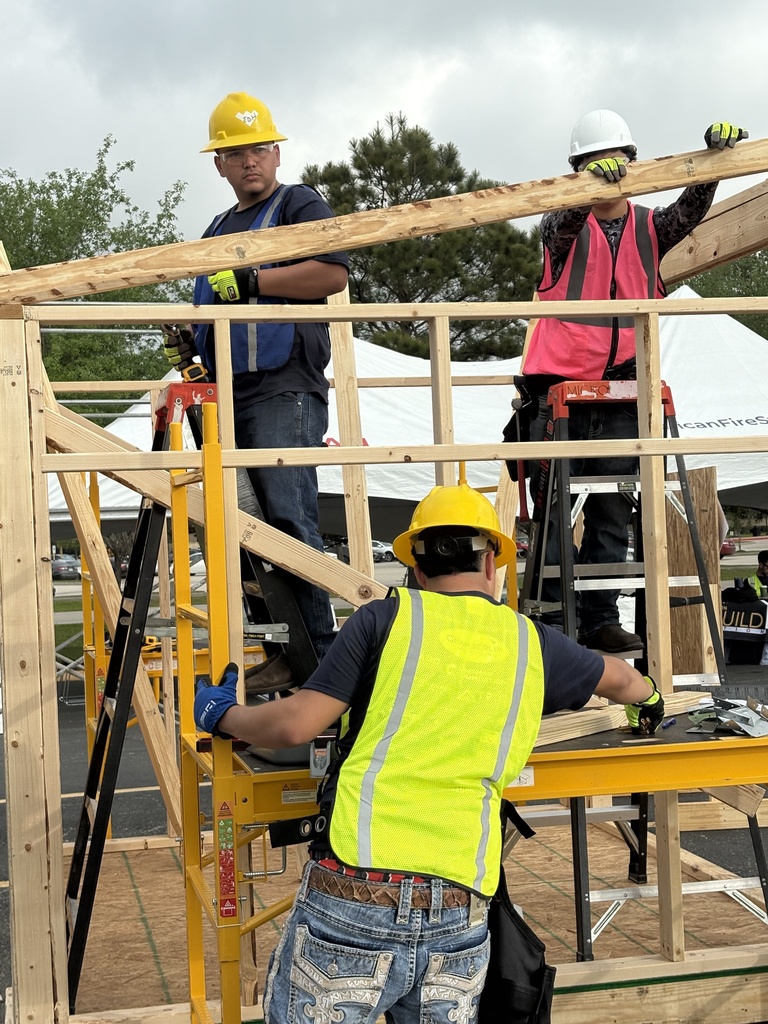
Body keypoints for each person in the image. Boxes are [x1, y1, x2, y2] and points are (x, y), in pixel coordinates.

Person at [194, 479, 665, 1022]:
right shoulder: (531, 642)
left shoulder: (384, 619)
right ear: (492, 563)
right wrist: (649, 702)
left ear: (416, 568)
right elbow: (623, 679)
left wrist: (224, 714)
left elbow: (296, 724)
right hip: (461, 904)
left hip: (358, 887)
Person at [518, 110, 748, 655]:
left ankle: (598, 618)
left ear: (633, 161)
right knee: (556, 508)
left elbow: (689, 212)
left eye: (617, 161)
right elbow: (566, 218)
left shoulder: (650, 226)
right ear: (578, 169)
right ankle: (553, 625)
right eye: (593, 164)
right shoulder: (559, 227)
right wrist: (587, 185)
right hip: (561, 389)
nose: (608, 171)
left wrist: (712, 164)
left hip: (627, 385)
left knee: (613, 509)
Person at [166, 92, 349, 671]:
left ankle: (319, 656)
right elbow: (209, 304)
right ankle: (279, 647)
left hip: (284, 385)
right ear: (218, 163)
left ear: (277, 153)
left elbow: (332, 273)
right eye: (236, 152)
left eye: (260, 149)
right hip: (228, 390)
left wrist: (251, 283)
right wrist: (187, 336)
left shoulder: (300, 205)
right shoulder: (217, 229)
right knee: (241, 524)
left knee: (289, 516)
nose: (250, 161)